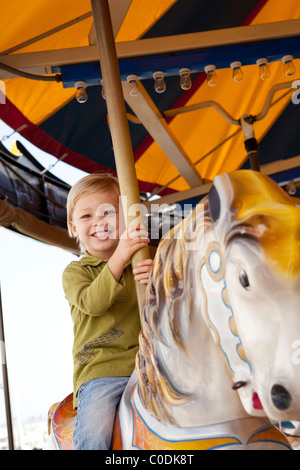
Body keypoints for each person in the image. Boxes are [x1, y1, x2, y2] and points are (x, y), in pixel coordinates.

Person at [62, 173, 153, 450]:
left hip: (151, 363)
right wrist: (121, 255)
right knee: (96, 429)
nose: (98, 222)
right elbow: (93, 303)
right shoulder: (76, 272)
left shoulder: (140, 263)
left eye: (108, 213)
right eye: (86, 216)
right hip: (103, 370)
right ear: (73, 227)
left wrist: (160, 279)